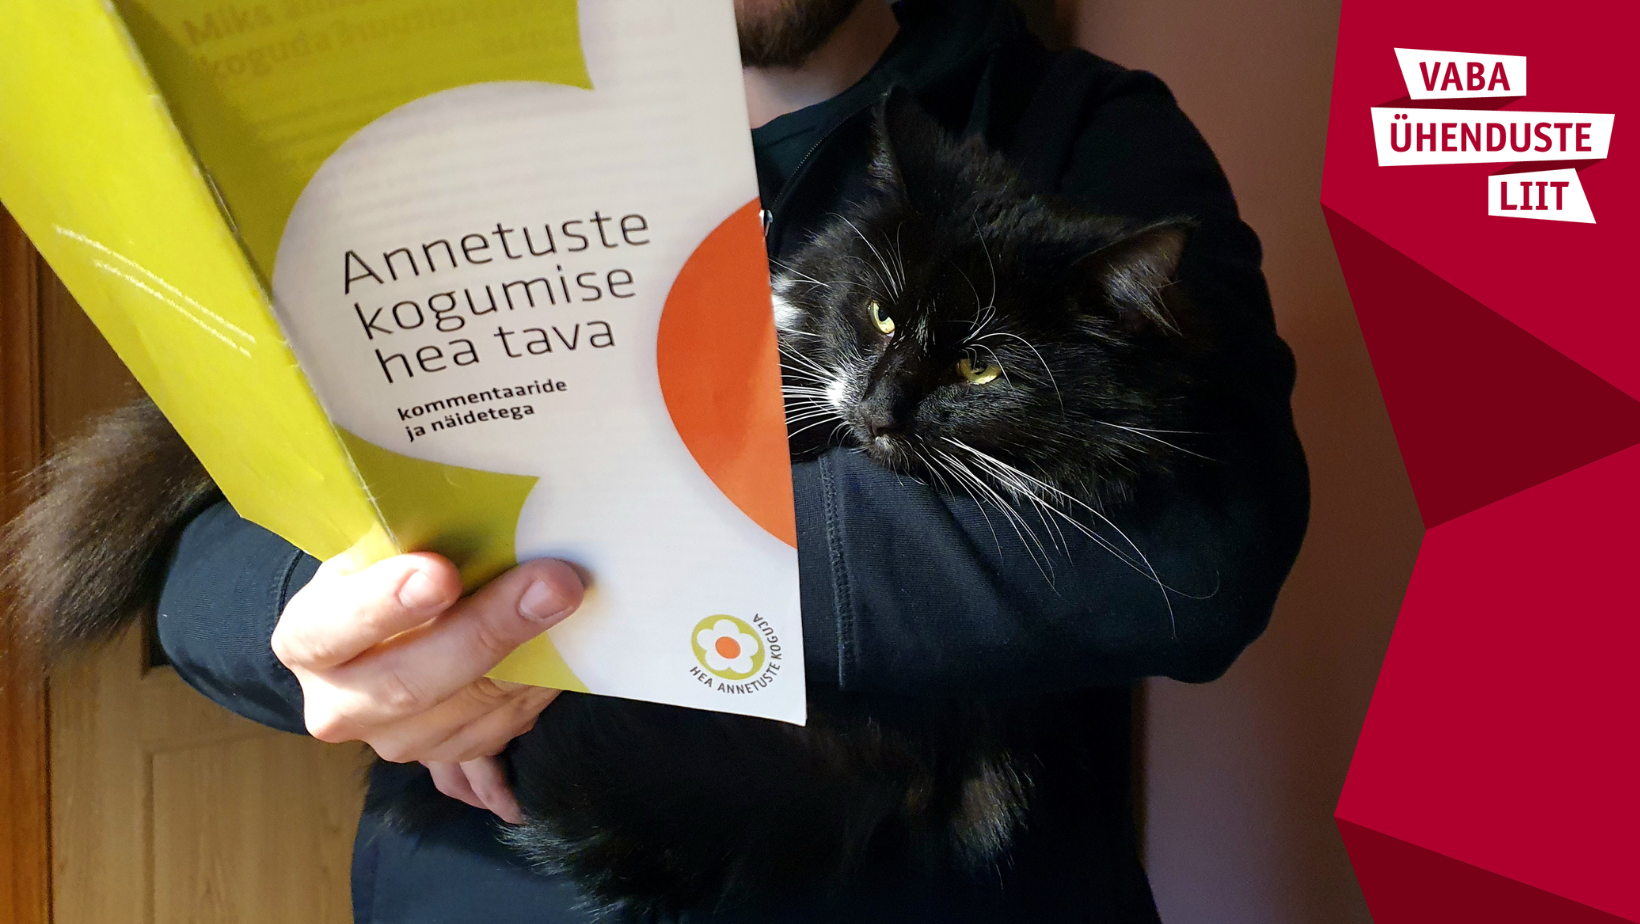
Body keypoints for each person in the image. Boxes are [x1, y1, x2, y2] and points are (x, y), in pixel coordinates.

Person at [154, 1, 1309, 921]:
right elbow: (187, 541)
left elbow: (1198, 546)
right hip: (486, 880)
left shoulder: (1077, 128)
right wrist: (334, 627)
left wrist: (564, 593)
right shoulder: (435, 143)